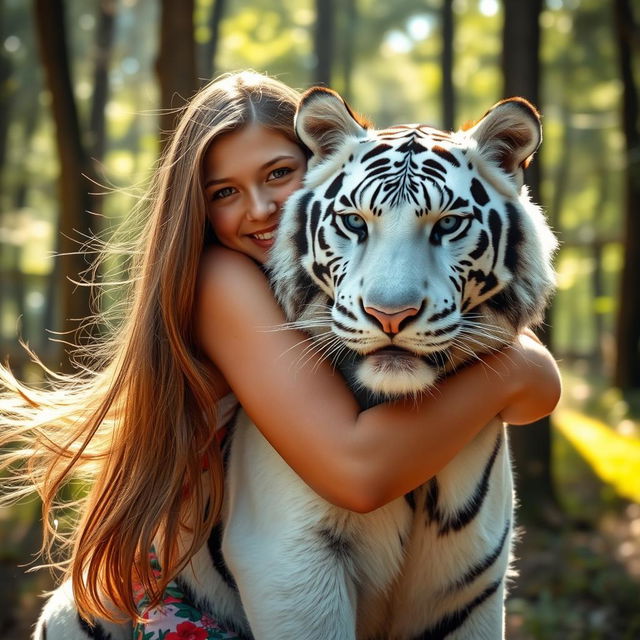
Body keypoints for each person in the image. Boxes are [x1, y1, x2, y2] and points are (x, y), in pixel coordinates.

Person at [0, 71, 560, 637]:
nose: (264, 209)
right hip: (179, 608)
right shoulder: (224, 280)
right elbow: (356, 474)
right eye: (224, 192)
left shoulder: (337, 285)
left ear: (318, 165)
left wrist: (509, 348)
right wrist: (515, 367)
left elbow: (532, 390)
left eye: (280, 174)